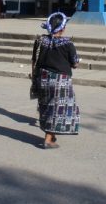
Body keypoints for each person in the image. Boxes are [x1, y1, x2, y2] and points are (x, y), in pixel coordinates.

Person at [30, 12, 80, 149]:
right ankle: (48, 139)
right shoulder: (68, 44)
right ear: (62, 28)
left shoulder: (39, 41)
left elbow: (34, 61)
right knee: (56, 110)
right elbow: (75, 63)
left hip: (43, 78)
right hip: (60, 80)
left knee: (45, 106)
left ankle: (50, 134)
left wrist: (34, 77)